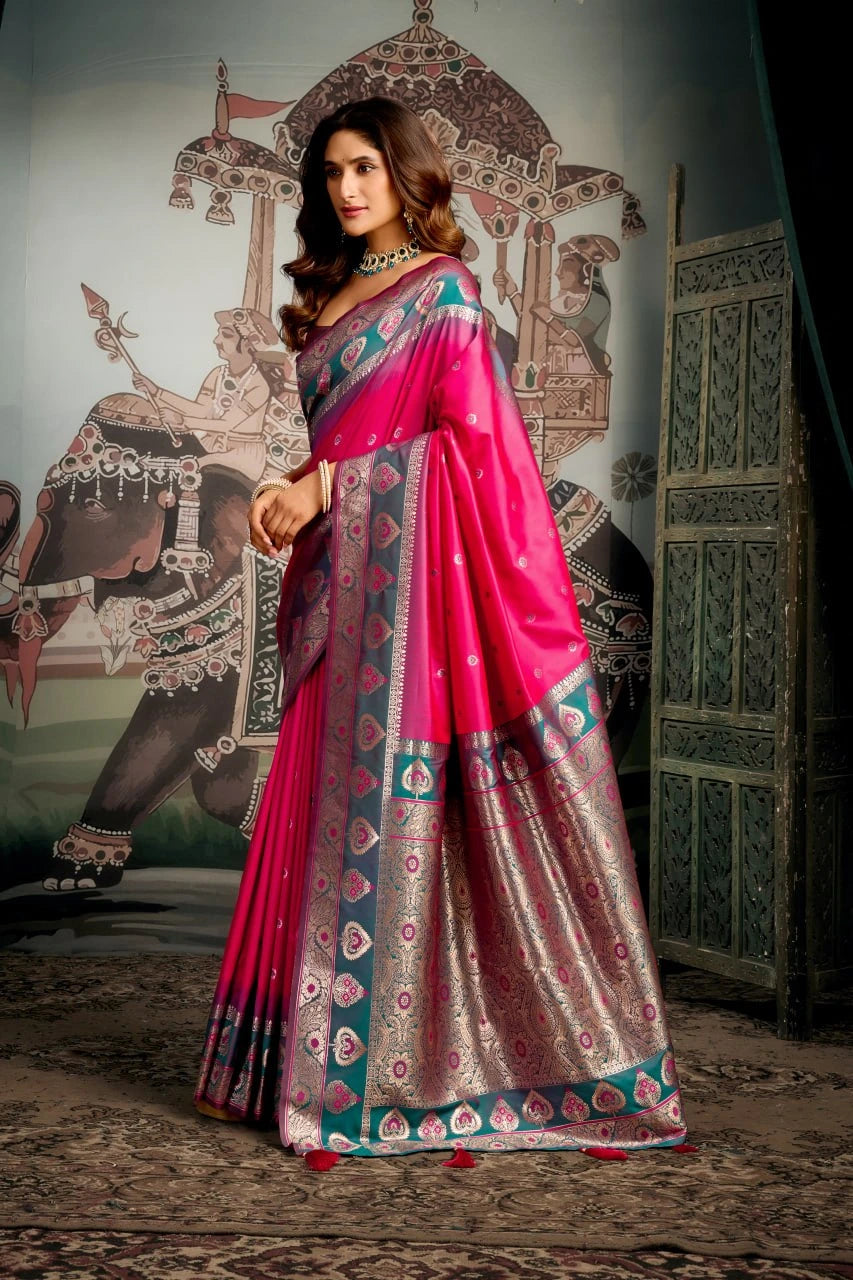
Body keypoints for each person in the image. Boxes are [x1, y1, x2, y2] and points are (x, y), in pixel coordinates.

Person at [194, 96, 688, 1165]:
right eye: (331, 172)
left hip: (417, 602)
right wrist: (294, 485)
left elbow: (476, 455)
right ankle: (280, 1060)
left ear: (406, 172)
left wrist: (331, 483)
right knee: (310, 811)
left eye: (366, 166)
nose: (347, 188)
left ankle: (401, 1072)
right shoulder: (334, 294)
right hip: (346, 580)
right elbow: (352, 439)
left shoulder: (447, 295)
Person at [132, 308, 279, 480]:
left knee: (189, 468)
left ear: (248, 343)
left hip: (243, 457)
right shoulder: (218, 373)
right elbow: (201, 410)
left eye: (226, 335)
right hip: (212, 445)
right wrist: (156, 391)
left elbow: (226, 424)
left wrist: (182, 421)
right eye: (219, 334)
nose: (216, 340)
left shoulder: (259, 385)